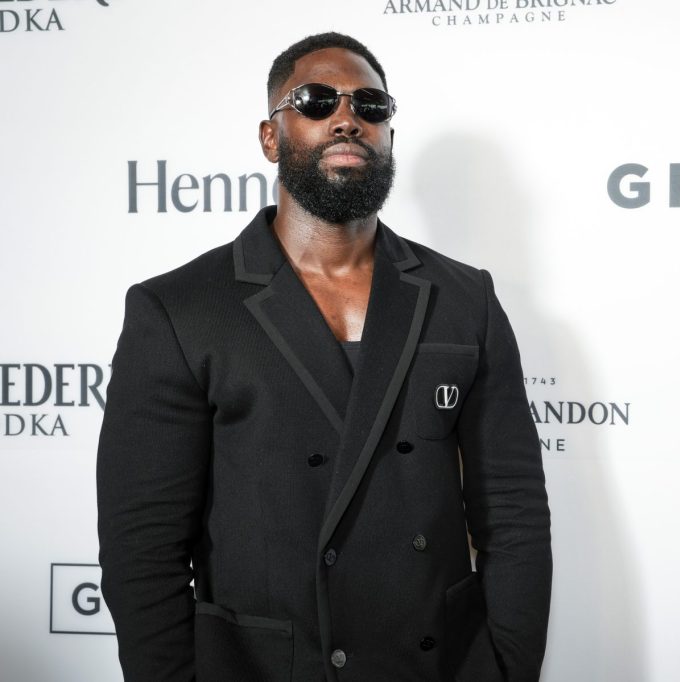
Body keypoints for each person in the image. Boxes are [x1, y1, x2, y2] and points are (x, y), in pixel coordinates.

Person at [96, 32, 552, 682]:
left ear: (389, 134)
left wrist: (507, 669)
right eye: (315, 100)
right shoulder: (179, 310)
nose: (346, 118)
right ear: (270, 137)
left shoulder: (464, 298)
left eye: (371, 105)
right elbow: (142, 549)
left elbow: (513, 509)